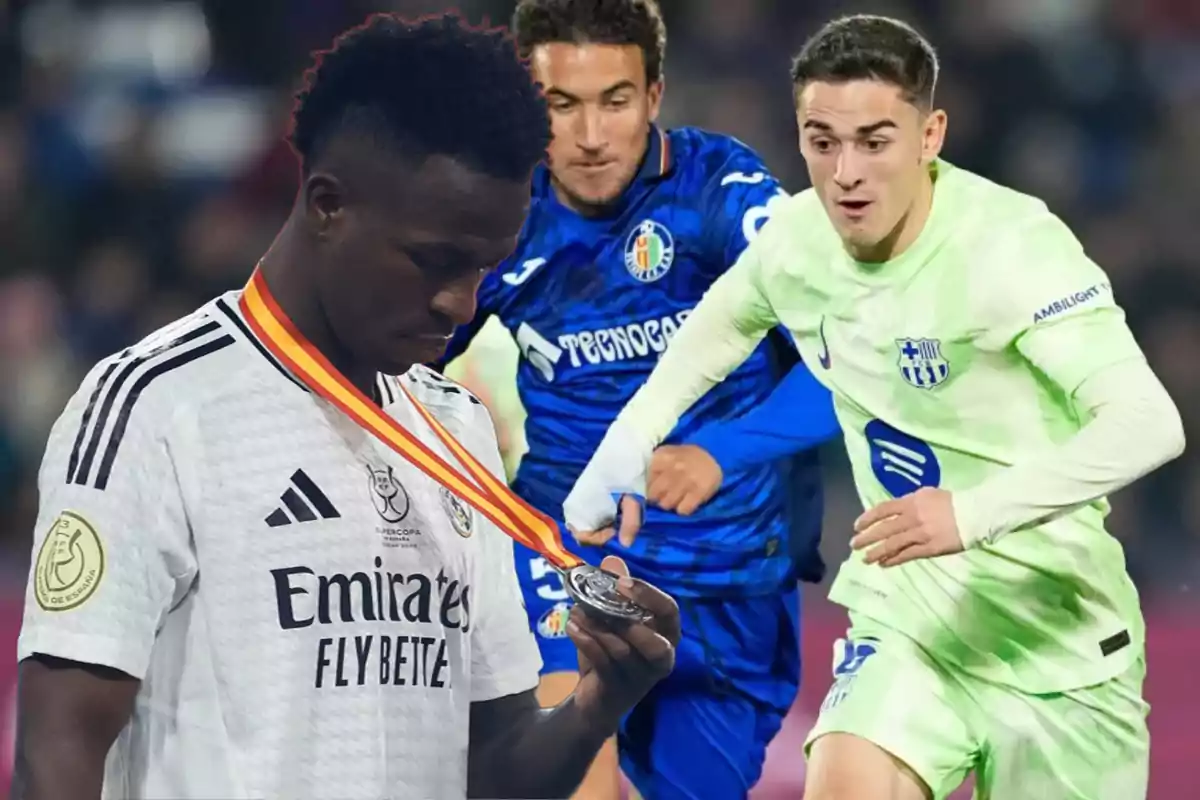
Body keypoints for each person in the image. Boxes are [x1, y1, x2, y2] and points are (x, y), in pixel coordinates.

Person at [11, 14, 681, 800]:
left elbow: (492, 767)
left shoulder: (456, 428)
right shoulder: (156, 408)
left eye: (484, 267)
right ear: (328, 205)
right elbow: (57, 756)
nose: (459, 303)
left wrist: (598, 706)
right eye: (434, 261)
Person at [564, 13, 1187, 800]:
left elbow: (1148, 425)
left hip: (1058, 646)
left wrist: (970, 514)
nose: (846, 173)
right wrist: (621, 456)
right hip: (910, 624)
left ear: (930, 136)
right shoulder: (797, 243)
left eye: (875, 141)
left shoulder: (1013, 249)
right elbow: (707, 341)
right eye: (822, 142)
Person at [435, 1, 840, 797]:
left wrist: (723, 451)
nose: (589, 137)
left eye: (614, 101)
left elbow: (852, 364)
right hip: (567, 555)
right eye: (562, 105)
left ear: (654, 96)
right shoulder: (499, 217)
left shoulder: (723, 195)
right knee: (566, 778)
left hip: (730, 592)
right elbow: (390, 356)